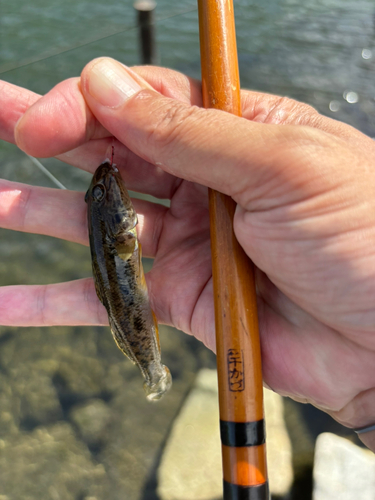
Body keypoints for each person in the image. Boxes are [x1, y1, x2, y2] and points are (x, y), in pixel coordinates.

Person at [0, 58, 374, 452]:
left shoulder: (118, 228)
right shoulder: (121, 234)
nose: (103, 190)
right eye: (99, 196)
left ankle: (152, 370)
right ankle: (152, 370)